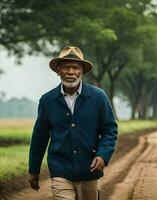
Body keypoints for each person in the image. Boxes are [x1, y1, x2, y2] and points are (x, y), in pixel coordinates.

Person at [28, 46, 118, 200]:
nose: (71, 72)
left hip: (89, 170)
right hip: (60, 170)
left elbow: (110, 130)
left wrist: (103, 155)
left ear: (81, 71)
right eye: (66, 67)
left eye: (75, 68)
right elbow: (39, 138)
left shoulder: (98, 97)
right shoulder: (47, 101)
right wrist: (34, 169)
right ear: (58, 70)